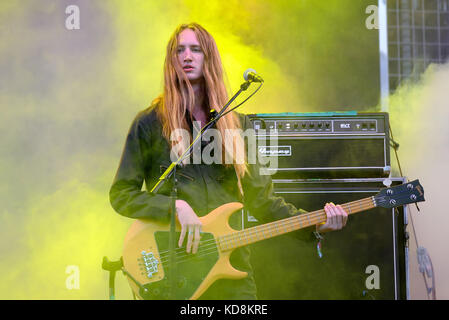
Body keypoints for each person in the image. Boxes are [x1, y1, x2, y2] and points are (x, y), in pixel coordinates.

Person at [109, 22, 348, 300]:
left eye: (196, 50)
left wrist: (316, 224)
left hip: (230, 272)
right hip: (173, 273)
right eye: (180, 50)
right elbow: (121, 195)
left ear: (209, 58)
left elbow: (264, 202)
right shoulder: (149, 123)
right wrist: (176, 207)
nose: (187, 56)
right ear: (171, 60)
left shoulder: (237, 127)